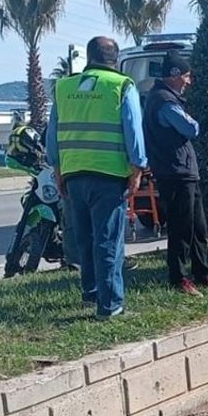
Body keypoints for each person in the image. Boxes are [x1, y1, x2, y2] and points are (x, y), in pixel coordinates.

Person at [46, 36, 148, 319]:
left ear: (88, 57)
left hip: (74, 174)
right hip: (109, 174)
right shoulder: (121, 86)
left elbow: (52, 134)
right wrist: (137, 168)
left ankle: (91, 292)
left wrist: (57, 169)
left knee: (85, 238)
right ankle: (111, 304)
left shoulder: (63, 87)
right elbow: (133, 131)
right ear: (114, 59)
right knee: (108, 240)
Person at [143, 52, 208, 296]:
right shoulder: (164, 101)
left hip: (185, 172)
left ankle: (203, 274)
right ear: (175, 75)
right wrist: (194, 121)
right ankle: (179, 279)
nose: (189, 82)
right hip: (174, 172)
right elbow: (190, 128)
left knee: (198, 228)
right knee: (180, 228)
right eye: (187, 76)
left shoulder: (165, 98)